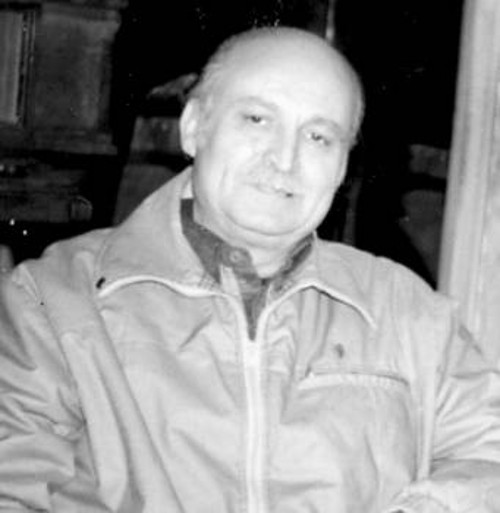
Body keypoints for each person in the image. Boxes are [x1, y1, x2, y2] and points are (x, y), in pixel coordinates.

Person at [0, 26, 500, 513]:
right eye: (258, 119)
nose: (285, 159)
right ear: (194, 127)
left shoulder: (405, 310)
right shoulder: (53, 300)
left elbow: (489, 459)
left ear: (343, 168)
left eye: (319, 137)